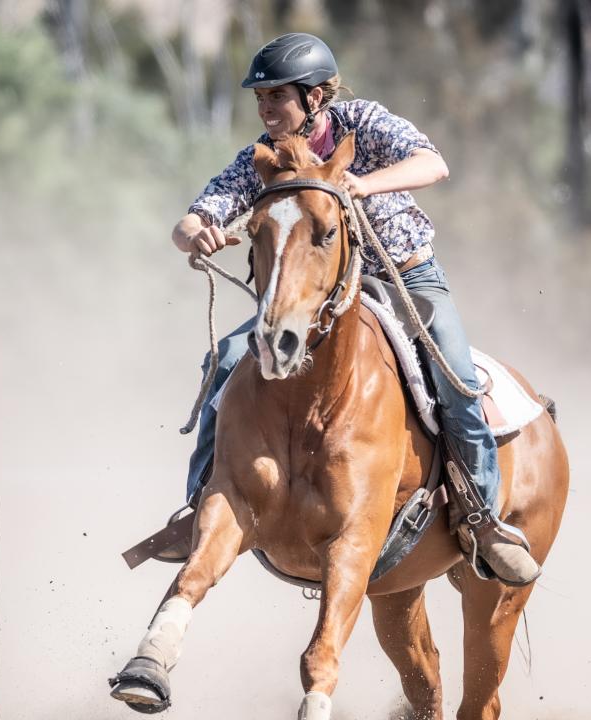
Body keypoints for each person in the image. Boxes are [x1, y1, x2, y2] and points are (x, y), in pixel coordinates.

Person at [173, 32, 540, 585]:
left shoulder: (362, 123)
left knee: (456, 377)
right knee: (224, 359)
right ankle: (198, 504)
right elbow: (194, 217)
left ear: (316, 98)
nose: (266, 108)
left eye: (277, 96)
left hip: (405, 277)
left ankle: (480, 519)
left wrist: (362, 186)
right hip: (315, 296)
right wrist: (197, 234)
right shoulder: (261, 160)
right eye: (260, 98)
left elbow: (432, 163)